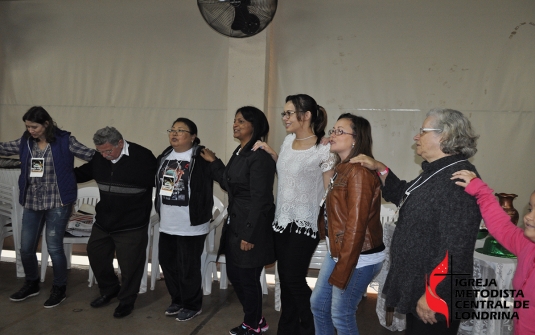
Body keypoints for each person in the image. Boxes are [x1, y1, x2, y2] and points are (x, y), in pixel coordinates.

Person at [351, 108, 482, 334]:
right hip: (420, 285)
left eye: (422, 131)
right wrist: (381, 169)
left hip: (436, 296)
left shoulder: (459, 179)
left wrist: (434, 294)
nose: (416, 136)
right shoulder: (437, 171)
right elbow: (406, 194)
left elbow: (456, 248)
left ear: (445, 136)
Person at [252, 94, 335, 335]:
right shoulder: (287, 141)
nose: (285, 118)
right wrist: (271, 152)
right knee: (287, 282)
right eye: (284, 113)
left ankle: (315, 328)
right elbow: (289, 171)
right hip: (281, 223)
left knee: (293, 280)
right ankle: (287, 330)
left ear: (306, 115)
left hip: (304, 224)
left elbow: (330, 190)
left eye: (289, 113)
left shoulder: (324, 147)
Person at [1, 106, 94, 308]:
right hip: (32, 201)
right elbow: (3, 147)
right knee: (25, 248)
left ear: (46, 124)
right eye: (27, 126)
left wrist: (76, 176)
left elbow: (92, 155)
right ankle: (32, 283)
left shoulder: (65, 141)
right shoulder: (25, 141)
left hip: (58, 201)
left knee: (54, 247)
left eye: (34, 126)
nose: (30, 130)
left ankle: (59, 289)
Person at [201, 106, 276, 335]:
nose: (235, 124)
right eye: (235, 120)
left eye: (241, 121)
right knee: (235, 274)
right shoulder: (240, 152)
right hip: (236, 221)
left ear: (255, 126)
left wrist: (249, 234)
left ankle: (253, 324)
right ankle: (256, 319)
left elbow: (261, 200)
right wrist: (214, 162)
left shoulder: (259, 156)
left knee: (248, 277)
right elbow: (228, 182)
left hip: (250, 224)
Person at [310, 113, 385, 335]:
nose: (332, 135)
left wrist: (343, 267)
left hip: (359, 256)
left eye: (339, 131)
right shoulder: (343, 168)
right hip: (340, 252)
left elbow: (356, 227)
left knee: (341, 314)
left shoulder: (359, 173)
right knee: (318, 305)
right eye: (332, 130)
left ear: (355, 139)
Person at [74, 127, 157, 318]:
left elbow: (160, 181)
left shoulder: (142, 157)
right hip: (104, 222)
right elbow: (80, 174)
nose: (103, 155)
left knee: (130, 266)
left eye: (107, 151)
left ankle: (127, 301)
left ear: (120, 143)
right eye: (100, 151)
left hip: (132, 223)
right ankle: (109, 289)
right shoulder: (99, 158)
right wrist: (55, 175)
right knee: (96, 254)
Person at [453, 170, 535, 335]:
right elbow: (501, 225)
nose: (528, 217)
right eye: (531, 208)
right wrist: (480, 190)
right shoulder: (527, 244)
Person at [154, 118, 213, 322]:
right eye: (172, 129)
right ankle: (177, 300)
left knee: (188, 267)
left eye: (181, 130)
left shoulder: (201, 156)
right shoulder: (166, 156)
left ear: (193, 136)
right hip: (168, 223)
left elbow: (222, 177)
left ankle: (192, 305)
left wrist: (215, 161)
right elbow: (167, 188)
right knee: (168, 263)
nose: (174, 134)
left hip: (191, 224)